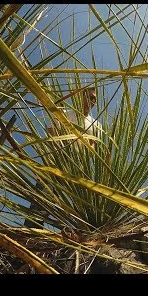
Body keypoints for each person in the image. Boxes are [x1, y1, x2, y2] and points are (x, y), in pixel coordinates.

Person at [24, 86, 101, 228]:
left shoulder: (95, 125)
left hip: (77, 169)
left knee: (69, 206)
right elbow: (51, 135)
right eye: (89, 97)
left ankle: (68, 239)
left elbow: (92, 146)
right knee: (41, 198)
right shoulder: (63, 114)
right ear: (80, 97)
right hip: (55, 163)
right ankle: (30, 233)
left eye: (94, 99)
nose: (92, 101)